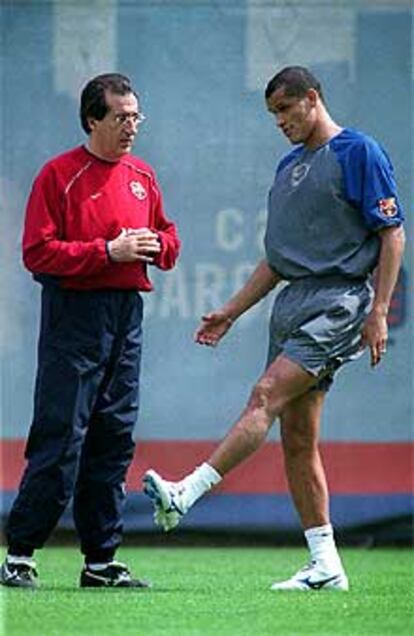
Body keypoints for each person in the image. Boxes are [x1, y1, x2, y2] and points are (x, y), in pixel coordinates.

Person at [142, 66, 405, 591]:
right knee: (297, 438)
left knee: (264, 395)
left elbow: (392, 234)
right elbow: (276, 260)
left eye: (286, 109)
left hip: (338, 303)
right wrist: (231, 311)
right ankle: (326, 565)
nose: (280, 122)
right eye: (273, 115)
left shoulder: (360, 152)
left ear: (312, 99)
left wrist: (378, 311)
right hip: (293, 304)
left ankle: (184, 494)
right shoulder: (289, 167)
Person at [0, 73, 180, 589]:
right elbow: (37, 253)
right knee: (62, 435)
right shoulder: (59, 176)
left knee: (114, 436)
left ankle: (101, 560)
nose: (131, 127)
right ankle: (20, 555)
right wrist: (107, 252)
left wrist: (154, 247)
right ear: (92, 120)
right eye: (121, 117)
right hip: (74, 317)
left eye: (136, 117)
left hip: (127, 316)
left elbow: (169, 237)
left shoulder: (142, 175)